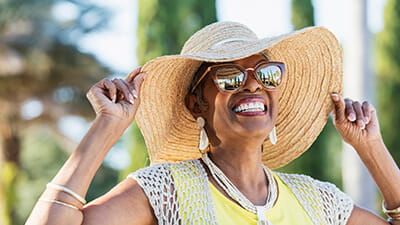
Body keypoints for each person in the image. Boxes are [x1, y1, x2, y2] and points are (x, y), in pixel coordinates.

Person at [26, 21, 400, 225]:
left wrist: (372, 149)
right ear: (196, 104)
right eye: (229, 77)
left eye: (267, 74)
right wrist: (106, 128)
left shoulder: (318, 202)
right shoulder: (164, 191)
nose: (252, 83)